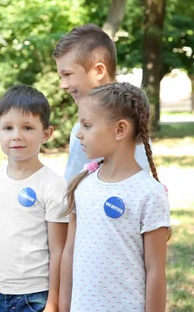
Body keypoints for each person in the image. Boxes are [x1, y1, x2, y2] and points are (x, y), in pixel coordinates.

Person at [59, 82, 170, 312]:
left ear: (120, 129)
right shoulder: (82, 185)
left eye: (87, 125)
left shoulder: (149, 193)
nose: (79, 133)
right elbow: (69, 251)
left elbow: (155, 270)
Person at [0, 85, 68, 312]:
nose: (17, 136)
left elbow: (58, 251)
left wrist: (53, 302)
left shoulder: (54, 186)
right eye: (8, 128)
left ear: (46, 133)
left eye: (27, 127)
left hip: (35, 298)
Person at [53, 24, 150, 181]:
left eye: (68, 74)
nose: (63, 85)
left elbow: (135, 186)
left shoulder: (124, 130)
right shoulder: (79, 130)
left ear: (98, 71)